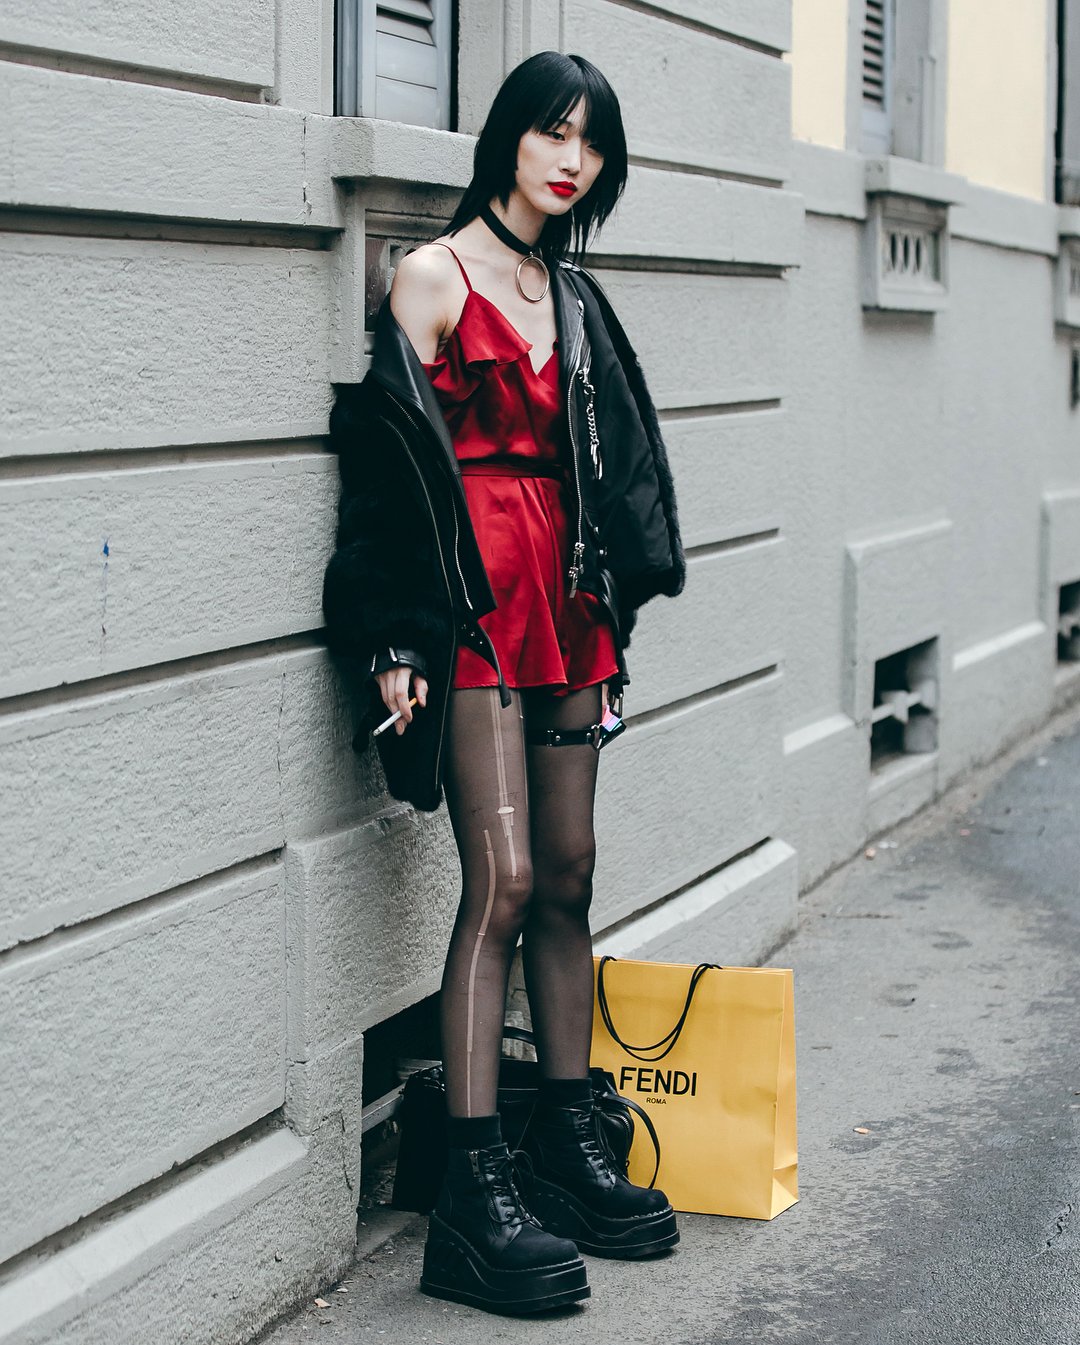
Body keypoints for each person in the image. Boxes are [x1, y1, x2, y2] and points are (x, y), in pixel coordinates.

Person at [322, 51, 686, 1316]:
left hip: (567, 606)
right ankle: (474, 1194)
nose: (568, 159)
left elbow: (617, 460)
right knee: (508, 876)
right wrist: (396, 641)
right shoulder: (435, 273)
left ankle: (566, 1143)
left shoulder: (571, 294)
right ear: (509, 141)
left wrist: (623, 602)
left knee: (574, 870)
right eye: (550, 132)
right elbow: (383, 477)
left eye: (590, 141)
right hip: (473, 603)